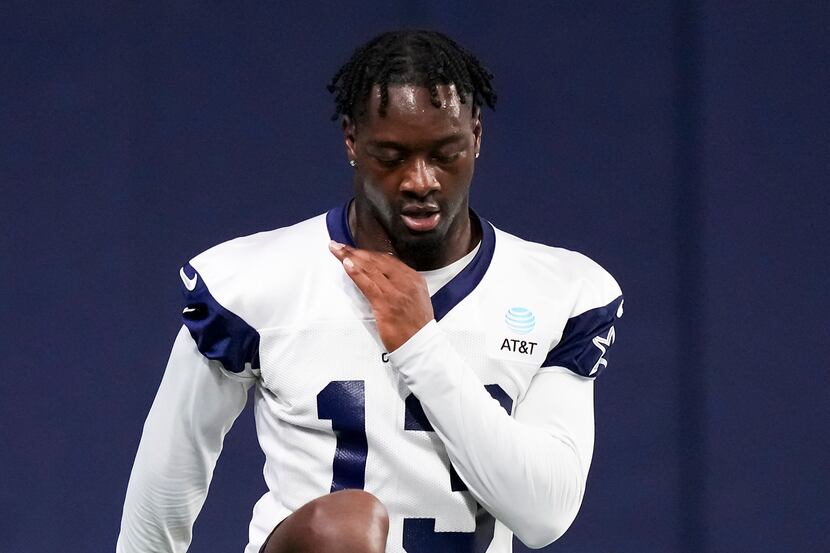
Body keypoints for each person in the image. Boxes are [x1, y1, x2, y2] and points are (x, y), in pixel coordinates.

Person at [116, 29, 623, 553]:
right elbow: (165, 479)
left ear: (476, 136)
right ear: (351, 141)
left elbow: (545, 516)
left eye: (444, 153)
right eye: (392, 156)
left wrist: (420, 344)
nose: (420, 180)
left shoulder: (558, 290)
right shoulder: (256, 281)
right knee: (345, 531)